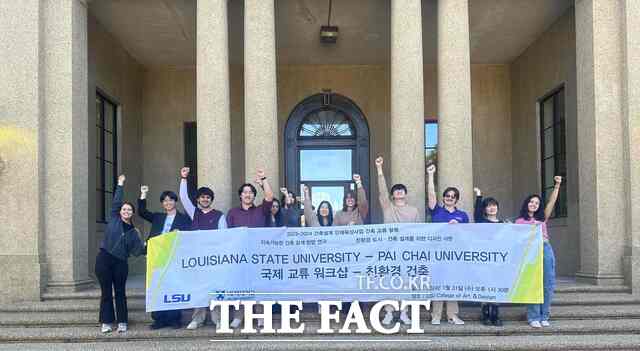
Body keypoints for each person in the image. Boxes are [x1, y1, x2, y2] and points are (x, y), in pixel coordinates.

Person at [95, 174, 145, 334]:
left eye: (129, 209)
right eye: (124, 209)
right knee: (106, 292)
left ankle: (122, 321)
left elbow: (137, 251)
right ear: (120, 211)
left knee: (120, 292)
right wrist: (120, 184)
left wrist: (146, 245)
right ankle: (107, 322)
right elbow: (116, 201)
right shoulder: (113, 218)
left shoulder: (134, 232)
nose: (126, 211)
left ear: (132, 213)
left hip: (121, 263)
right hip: (104, 258)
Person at [179, 167, 227, 330]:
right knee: (199, 289)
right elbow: (184, 198)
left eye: (208, 197)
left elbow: (224, 237)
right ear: (198, 199)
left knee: (216, 289)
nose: (205, 199)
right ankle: (197, 318)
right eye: (202, 197)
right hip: (197, 259)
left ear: (211, 199)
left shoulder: (219, 215)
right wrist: (183, 178)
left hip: (214, 259)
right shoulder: (194, 213)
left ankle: (218, 319)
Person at [138, 185, 192, 329]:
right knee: (157, 287)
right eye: (165, 201)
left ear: (175, 202)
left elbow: (188, 237)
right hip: (157, 256)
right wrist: (143, 194)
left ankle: (174, 319)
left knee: (173, 286)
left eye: (170, 200)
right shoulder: (158, 217)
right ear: (162, 204)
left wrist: (179, 233)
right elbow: (142, 212)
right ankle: (159, 319)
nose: (168, 203)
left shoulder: (184, 219)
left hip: (174, 256)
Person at [226, 169, 275, 328]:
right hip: (239, 256)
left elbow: (269, 197)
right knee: (239, 286)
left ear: (254, 196)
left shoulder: (261, 210)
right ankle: (238, 317)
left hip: (258, 256)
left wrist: (264, 180)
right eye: (245, 192)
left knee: (258, 285)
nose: (247, 195)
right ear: (240, 195)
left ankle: (260, 316)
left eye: (250, 192)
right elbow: (227, 235)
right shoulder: (232, 213)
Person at [375, 156, 420, 326]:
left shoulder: (414, 210)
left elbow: (417, 232)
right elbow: (382, 191)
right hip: (389, 251)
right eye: (396, 190)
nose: (399, 192)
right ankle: (388, 312)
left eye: (402, 190)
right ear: (393, 195)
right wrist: (379, 169)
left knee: (407, 284)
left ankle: (404, 313)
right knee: (388, 282)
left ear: (405, 194)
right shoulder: (388, 207)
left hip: (407, 252)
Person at [515, 176, 562, 329]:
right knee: (532, 284)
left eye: (536, 203)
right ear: (527, 204)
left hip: (545, 249)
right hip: (530, 253)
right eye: (531, 202)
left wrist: (557, 185)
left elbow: (551, 202)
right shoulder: (520, 221)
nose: (534, 204)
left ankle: (544, 316)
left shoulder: (542, 218)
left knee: (548, 283)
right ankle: (533, 316)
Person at [427, 164, 467, 326]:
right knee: (438, 283)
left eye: (453, 196)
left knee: (452, 283)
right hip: (437, 252)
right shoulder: (436, 211)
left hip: (454, 253)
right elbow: (431, 195)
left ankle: (452, 315)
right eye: (447, 195)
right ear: (443, 198)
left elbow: (468, 234)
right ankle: (435, 315)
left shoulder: (462, 215)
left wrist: (458, 228)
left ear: (456, 199)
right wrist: (430, 176)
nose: (449, 198)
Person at [473, 187, 504, 327]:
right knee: (485, 287)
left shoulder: (504, 224)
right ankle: (485, 314)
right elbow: (477, 213)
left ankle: (495, 314)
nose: (491, 208)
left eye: (494, 205)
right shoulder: (481, 222)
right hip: (484, 261)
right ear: (485, 209)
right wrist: (479, 196)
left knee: (496, 287)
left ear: (497, 208)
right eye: (488, 206)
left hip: (498, 262)